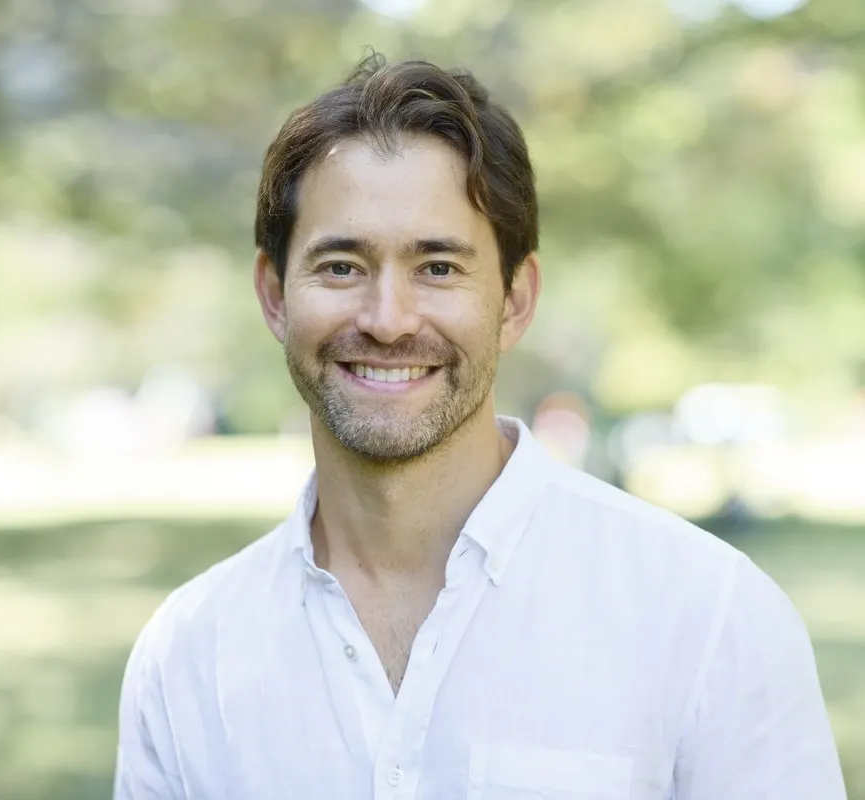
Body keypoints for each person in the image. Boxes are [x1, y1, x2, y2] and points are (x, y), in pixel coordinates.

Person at [113, 53, 847, 799]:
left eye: (437, 267)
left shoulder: (707, 615)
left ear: (515, 300)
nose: (388, 320)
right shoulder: (188, 655)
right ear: (274, 296)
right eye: (341, 266)